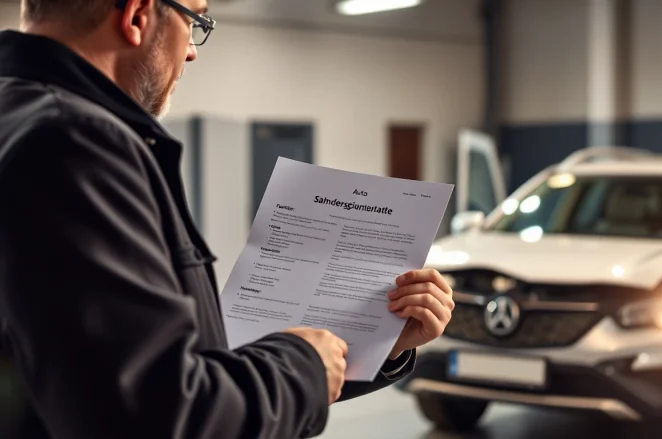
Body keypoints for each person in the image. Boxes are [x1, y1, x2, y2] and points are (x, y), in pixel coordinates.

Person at [0, 0, 456, 438]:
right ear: (138, 14)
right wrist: (304, 364)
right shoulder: (78, 145)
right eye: (193, 19)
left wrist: (375, 340)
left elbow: (148, 373)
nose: (193, 50)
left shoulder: (21, 118)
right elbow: (160, 415)